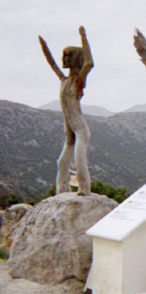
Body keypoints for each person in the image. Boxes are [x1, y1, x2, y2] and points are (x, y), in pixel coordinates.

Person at [39, 26, 93, 195]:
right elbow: (52, 63)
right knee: (62, 162)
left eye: (68, 55)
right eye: (64, 54)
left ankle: (84, 189)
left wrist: (83, 37)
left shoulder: (78, 81)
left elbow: (89, 63)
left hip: (79, 127)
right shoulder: (64, 79)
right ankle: (61, 190)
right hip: (69, 128)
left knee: (79, 159)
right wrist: (44, 47)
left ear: (76, 58)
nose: (64, 58)